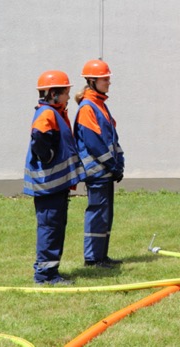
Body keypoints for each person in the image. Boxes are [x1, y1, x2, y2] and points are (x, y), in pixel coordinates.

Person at [24, 70, 85, 285]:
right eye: (65, 92)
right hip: (48, 186)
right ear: (52, 93)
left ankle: (51, 272)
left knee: (55, 227)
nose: (69, 96)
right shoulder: (47, 114)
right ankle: (45, 275)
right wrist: (48, 155)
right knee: (50, 228)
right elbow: (39, 138)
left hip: (55, 186)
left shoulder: (54, 111)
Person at [74, 59, 124, 269]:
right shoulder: (88, 107)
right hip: (97, 172)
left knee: (105, 214)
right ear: (92, 81)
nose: (109, 82)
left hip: (106, 171)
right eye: (105, 79)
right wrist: (112, 165)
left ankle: (101, 256)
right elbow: (94, 143)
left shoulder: (99, 105)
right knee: (97, 213)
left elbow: (111, 138)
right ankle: (93, 258)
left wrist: (119, 163)